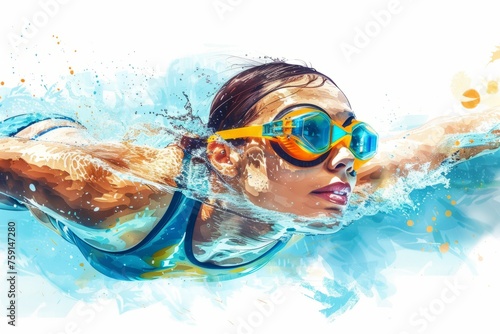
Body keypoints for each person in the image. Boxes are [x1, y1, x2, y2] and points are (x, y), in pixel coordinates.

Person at [0, 62, 498, 281]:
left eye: (355, 138)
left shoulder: (347, 188)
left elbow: (449, 139)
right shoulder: (118, 194)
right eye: (310, 133)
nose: (346, 159)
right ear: (224, 156)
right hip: (33, 146)